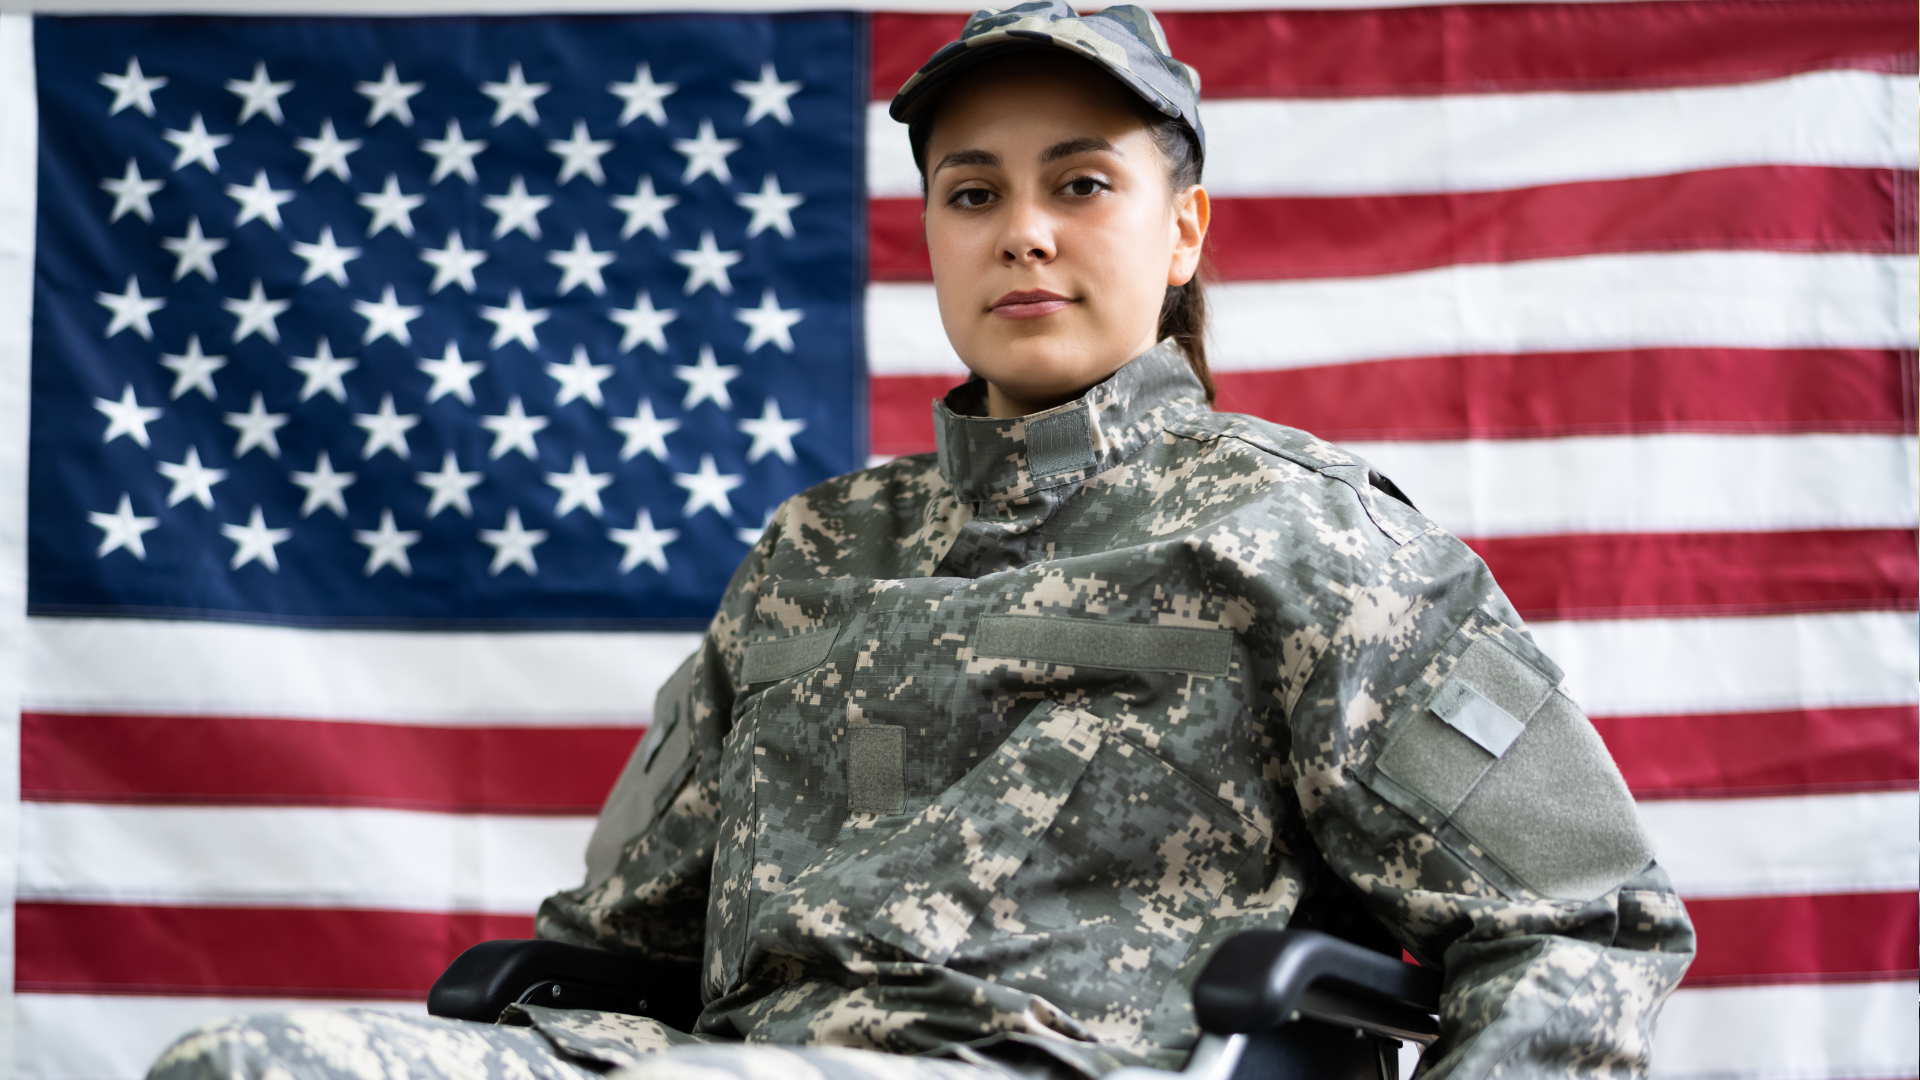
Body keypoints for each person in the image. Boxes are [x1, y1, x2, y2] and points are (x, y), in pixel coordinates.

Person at [148, 5, 1694, 1080]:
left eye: (1081, 183)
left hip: (1052, 1062)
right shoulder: (814, 549)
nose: (1023, 229)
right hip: (736, 1060)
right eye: (975, 193)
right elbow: (611, 941)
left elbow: (1587, 929)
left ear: (1185, 231)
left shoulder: (1312, 537)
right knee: (233, 1061)